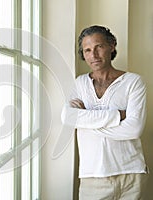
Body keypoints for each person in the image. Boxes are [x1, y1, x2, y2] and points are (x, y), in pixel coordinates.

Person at [61, 25, 149, 199]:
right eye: (87, 50)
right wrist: (117, 116)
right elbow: (68, 117)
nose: (93, 55)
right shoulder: (80, 84)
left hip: (131, 174)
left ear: (112, 45)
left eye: (98, 47)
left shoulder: (133, 82)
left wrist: (86, 123)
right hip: (92, 176)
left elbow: (134, 129)